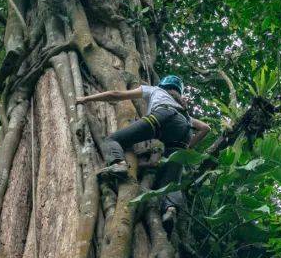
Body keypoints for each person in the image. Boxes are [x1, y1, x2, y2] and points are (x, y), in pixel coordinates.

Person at [76, 75, 210, 220]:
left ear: (163, 85)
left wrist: (86, 99)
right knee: (171, 183)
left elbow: (116, 95)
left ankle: (118, 163)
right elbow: (205, 128)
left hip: (163, 116)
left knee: (112, 140)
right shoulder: (184, 113)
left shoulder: (154, 90)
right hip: (185, 130)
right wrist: (187, 147)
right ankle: (170, 210)